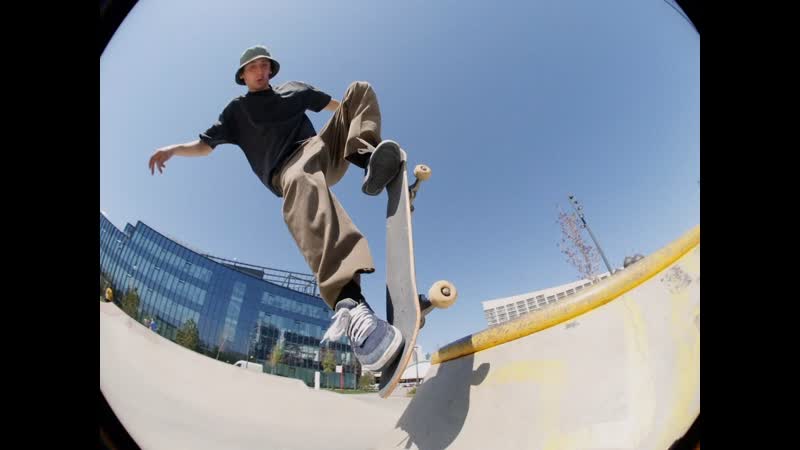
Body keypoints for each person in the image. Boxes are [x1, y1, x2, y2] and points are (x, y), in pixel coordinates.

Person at [148, 45, 404, 372]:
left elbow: (338, 106)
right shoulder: (236, 112)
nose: (260, 71)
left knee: (360, 90)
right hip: (287, 168)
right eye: (252, 67)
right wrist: (173, 150)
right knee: (300, 181)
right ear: (243, 75)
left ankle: (367, 158)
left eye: (264, 65)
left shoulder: (295, 90)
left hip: (322, 149)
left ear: (271, 69)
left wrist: (356, 120)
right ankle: (351, 305)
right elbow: (204, 145)